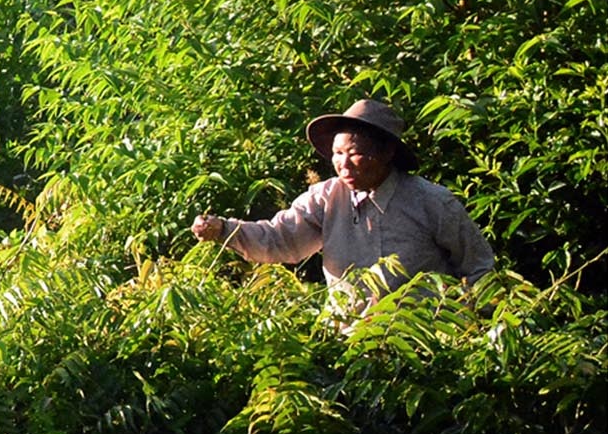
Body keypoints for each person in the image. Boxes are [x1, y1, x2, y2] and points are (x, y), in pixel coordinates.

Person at [190, 98, 495, 300]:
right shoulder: (326, 198)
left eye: (355, 154)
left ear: (388, 153)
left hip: (425, 346)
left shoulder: (432, 202)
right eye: (337, 153)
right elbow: (280, 238)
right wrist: (223, 229)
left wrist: (469, 323)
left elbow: (479, 269)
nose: (343, 164)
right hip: (349, 345)